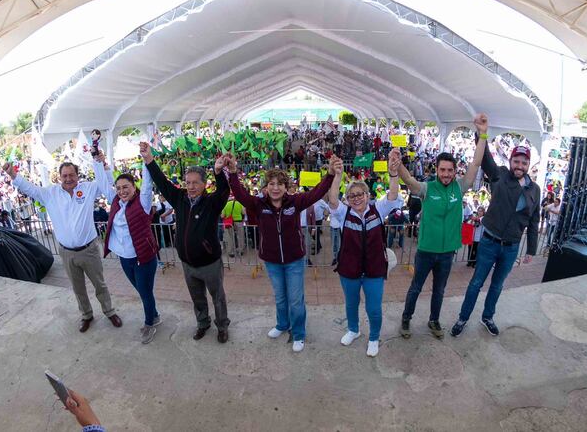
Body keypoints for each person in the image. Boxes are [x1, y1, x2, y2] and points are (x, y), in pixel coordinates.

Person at [225, 153, 336, 353]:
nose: (275, 188)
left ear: (286, 187)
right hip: (272, 261)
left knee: (295, 298)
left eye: (280, 184)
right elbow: (240, 194)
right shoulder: (259, 205)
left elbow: (317, 193)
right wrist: (233, 172)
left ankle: (299, 333)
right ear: (266, 187)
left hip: (294, 260)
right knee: (280, 297)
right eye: (271, 184)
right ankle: (282, 324)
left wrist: (329, 175)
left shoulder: (296, 202)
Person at [3, 157, 122, 333]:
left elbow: (106, 183)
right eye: (65, 175)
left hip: (89, 250)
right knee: (78, 287)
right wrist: (13, 175)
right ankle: (87, 315)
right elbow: (30, 189)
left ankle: (109, 311)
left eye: (71, 175)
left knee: (100, 284)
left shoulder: (88, 188)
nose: (68, 179)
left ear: (77, 175)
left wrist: (104, 167)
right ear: (59, 177)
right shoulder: (50, 194)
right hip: (67, 253)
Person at [396, 114, 487, 339]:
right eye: (442, 170)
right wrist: (398, 166)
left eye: (450, 170)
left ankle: (434, 321)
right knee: (416, 288)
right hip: (426, 251)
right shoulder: (428, 189)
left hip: (447, 253)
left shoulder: (460, 187)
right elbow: (409, 182)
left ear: (455, 171)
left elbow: (476, 162)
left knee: (439, 290)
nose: (446, 174)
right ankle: (406, 319)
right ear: (436, 170)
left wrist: (483, 134)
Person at [450, 129, 542, 337]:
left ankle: (487, 317)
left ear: (528, 166)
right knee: (476, 283)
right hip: (490, 242)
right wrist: (480, 134)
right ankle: (463, 317)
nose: (519, 166)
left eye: (523, 163)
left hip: (511, 247)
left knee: (497, 285)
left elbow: (534, 221)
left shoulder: (534, 189)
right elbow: (485, 158)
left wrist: (531, 250)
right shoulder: (499, 174)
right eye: (516, 161)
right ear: (511, 162)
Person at [140, 142, 231, 343]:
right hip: (188, 264)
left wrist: (218, 172)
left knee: (218, 298)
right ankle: (203, 324)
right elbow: (162, 182)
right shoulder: (179, 198)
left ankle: (222, 326)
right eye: (187, 182)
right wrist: (149, 159)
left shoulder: (211, 203)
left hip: (210, 264)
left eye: (195, 183)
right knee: (197, 299)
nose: (190, 187)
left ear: (204, 184)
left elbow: (224, 191)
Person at [328, 152, 401, 357]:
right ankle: (353, 329)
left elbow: (393, 195)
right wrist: (337, 176)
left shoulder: (378, 209)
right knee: (351, 303)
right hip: (349, 269)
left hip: (374, 269)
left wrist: (393, 174)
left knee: (374, 307)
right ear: (348, 199)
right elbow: (333, 199)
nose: (357, 198)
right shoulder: (344, 213)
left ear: (368, 196)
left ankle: (374, 337)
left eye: (361, 194)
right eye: (352, 196)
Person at [98, 156, 161, 345]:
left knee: (145, 293)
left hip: (144, 258)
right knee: (142, 291)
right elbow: (106, 183)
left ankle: (150, 323)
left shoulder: (143, 202)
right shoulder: (116, 202)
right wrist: (103, 165)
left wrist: (145, 160)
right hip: (125, 258)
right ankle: (155, 314)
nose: (122, 191)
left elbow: (148, 183)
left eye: (126, 187)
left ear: (134, 186)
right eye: (118, 188)